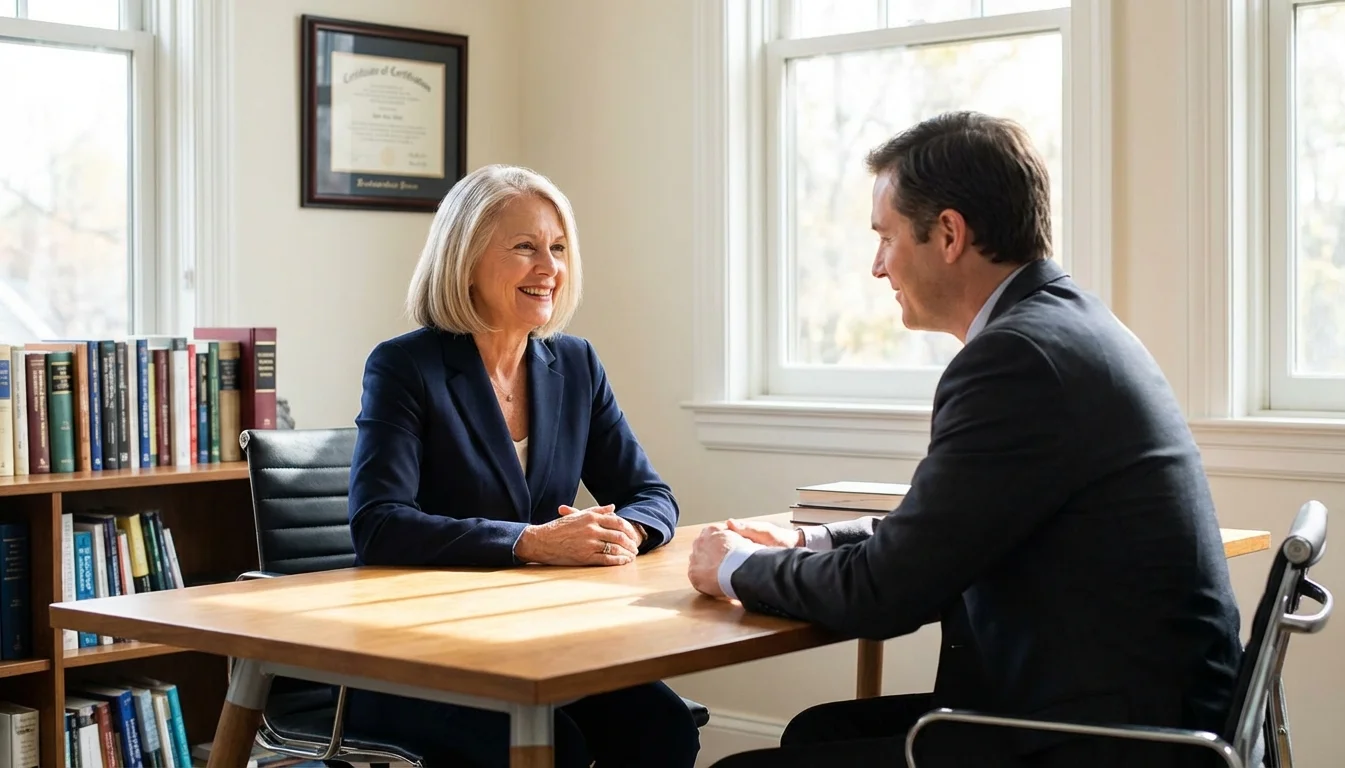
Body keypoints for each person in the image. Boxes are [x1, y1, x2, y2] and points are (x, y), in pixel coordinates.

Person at [687, 112, 1243, 768]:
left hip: (1098, 744)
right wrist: (806, 539)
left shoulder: (1016, 360)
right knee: (814, 734)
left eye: (885, 237)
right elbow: (943, 531)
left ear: (948, 233)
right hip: (1137, 717)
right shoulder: (1072, 326)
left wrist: (731, 567)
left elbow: (887, 592)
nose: (876, 266)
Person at [345, 164, 700, 767]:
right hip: (422, 657)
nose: (550, 269)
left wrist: (625, 531)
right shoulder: (406, 367)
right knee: (554, 748)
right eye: (525, 248)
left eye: (558, 248)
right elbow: (379, 524)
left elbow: (650, 492)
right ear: (466, 259)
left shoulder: (575, 364)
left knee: (662, 728)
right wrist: (530, 542)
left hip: (540, 644)